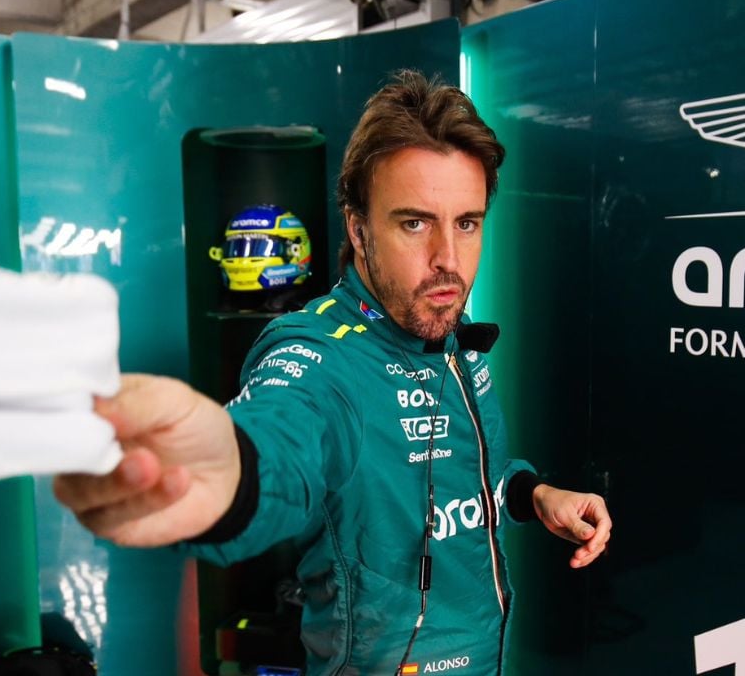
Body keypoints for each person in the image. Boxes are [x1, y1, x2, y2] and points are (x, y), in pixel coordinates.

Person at [53, 70, 611, 675]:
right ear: (358, 228)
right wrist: (228, 477)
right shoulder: (319, 352)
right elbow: (281, 438)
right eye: (415, 223)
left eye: (466, 223)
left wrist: (534, 494)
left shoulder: (448, 326)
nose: (448, 260)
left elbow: (474, 471)